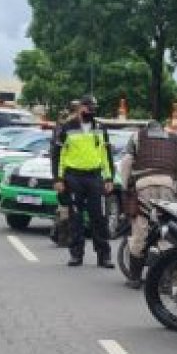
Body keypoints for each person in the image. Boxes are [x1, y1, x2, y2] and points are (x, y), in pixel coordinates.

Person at [119, 118, 177, 288]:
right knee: (165, 230)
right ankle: (165, 279)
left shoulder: (137, 137)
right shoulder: (174, 140)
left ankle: (135, 278)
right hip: (168, 186)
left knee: (140, 228)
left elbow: (126, 163)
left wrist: (125, 186)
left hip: (143, 186)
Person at [52, 94, 115, 268]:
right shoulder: (67, 128)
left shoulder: (101, 128)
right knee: (76, 218)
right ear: (81, 108)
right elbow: (58, 155)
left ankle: (104, 256)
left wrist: (109, 177)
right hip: (73, 177)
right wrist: (58, 178)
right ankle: (76, 255)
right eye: (89, 108)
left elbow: (106, 155)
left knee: (100, 217)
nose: (92, 111)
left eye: (94, 108)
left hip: (95, 177)